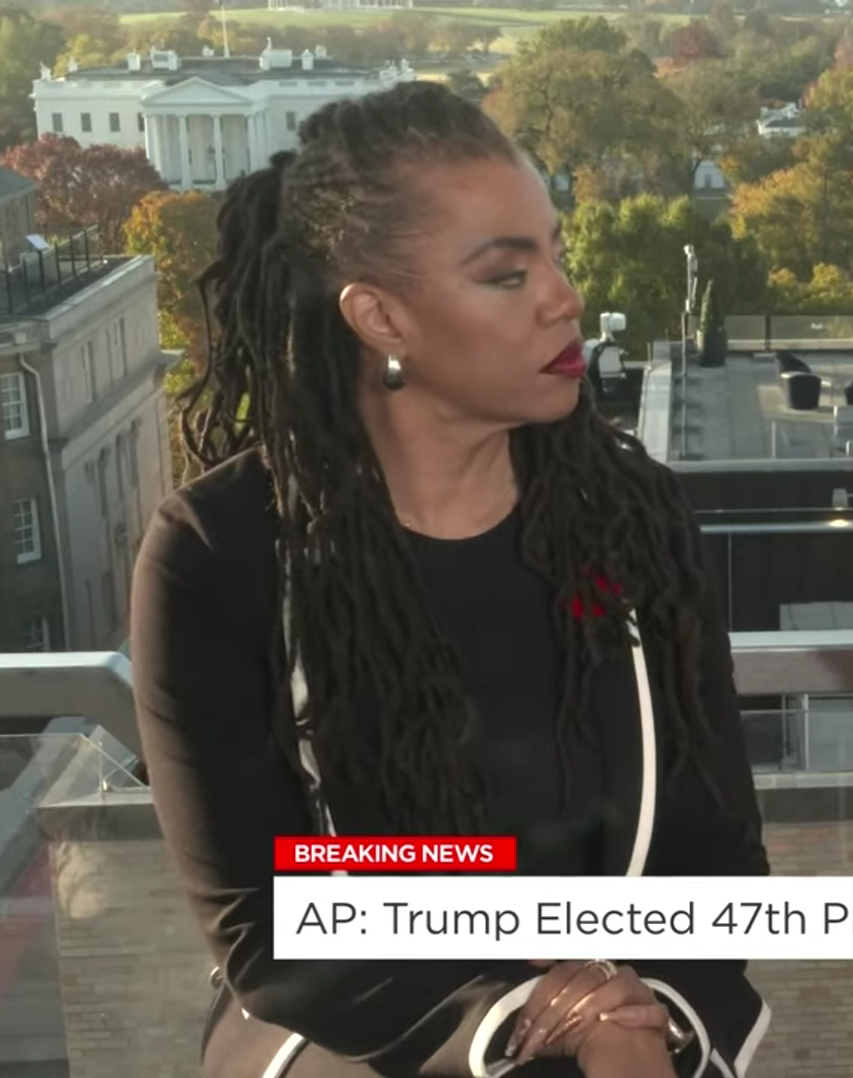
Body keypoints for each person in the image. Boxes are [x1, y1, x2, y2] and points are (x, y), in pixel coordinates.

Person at [129, 82, 770, 1078]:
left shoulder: (633, 516)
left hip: (632, 1023)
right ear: (381, 315)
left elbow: (715, 853)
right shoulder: (219, 553)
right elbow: (268, 923)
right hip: (353, 1034)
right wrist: (521, 1021)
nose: (562, 295)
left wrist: (640, 1015)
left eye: (554, 252)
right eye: (507, 276)